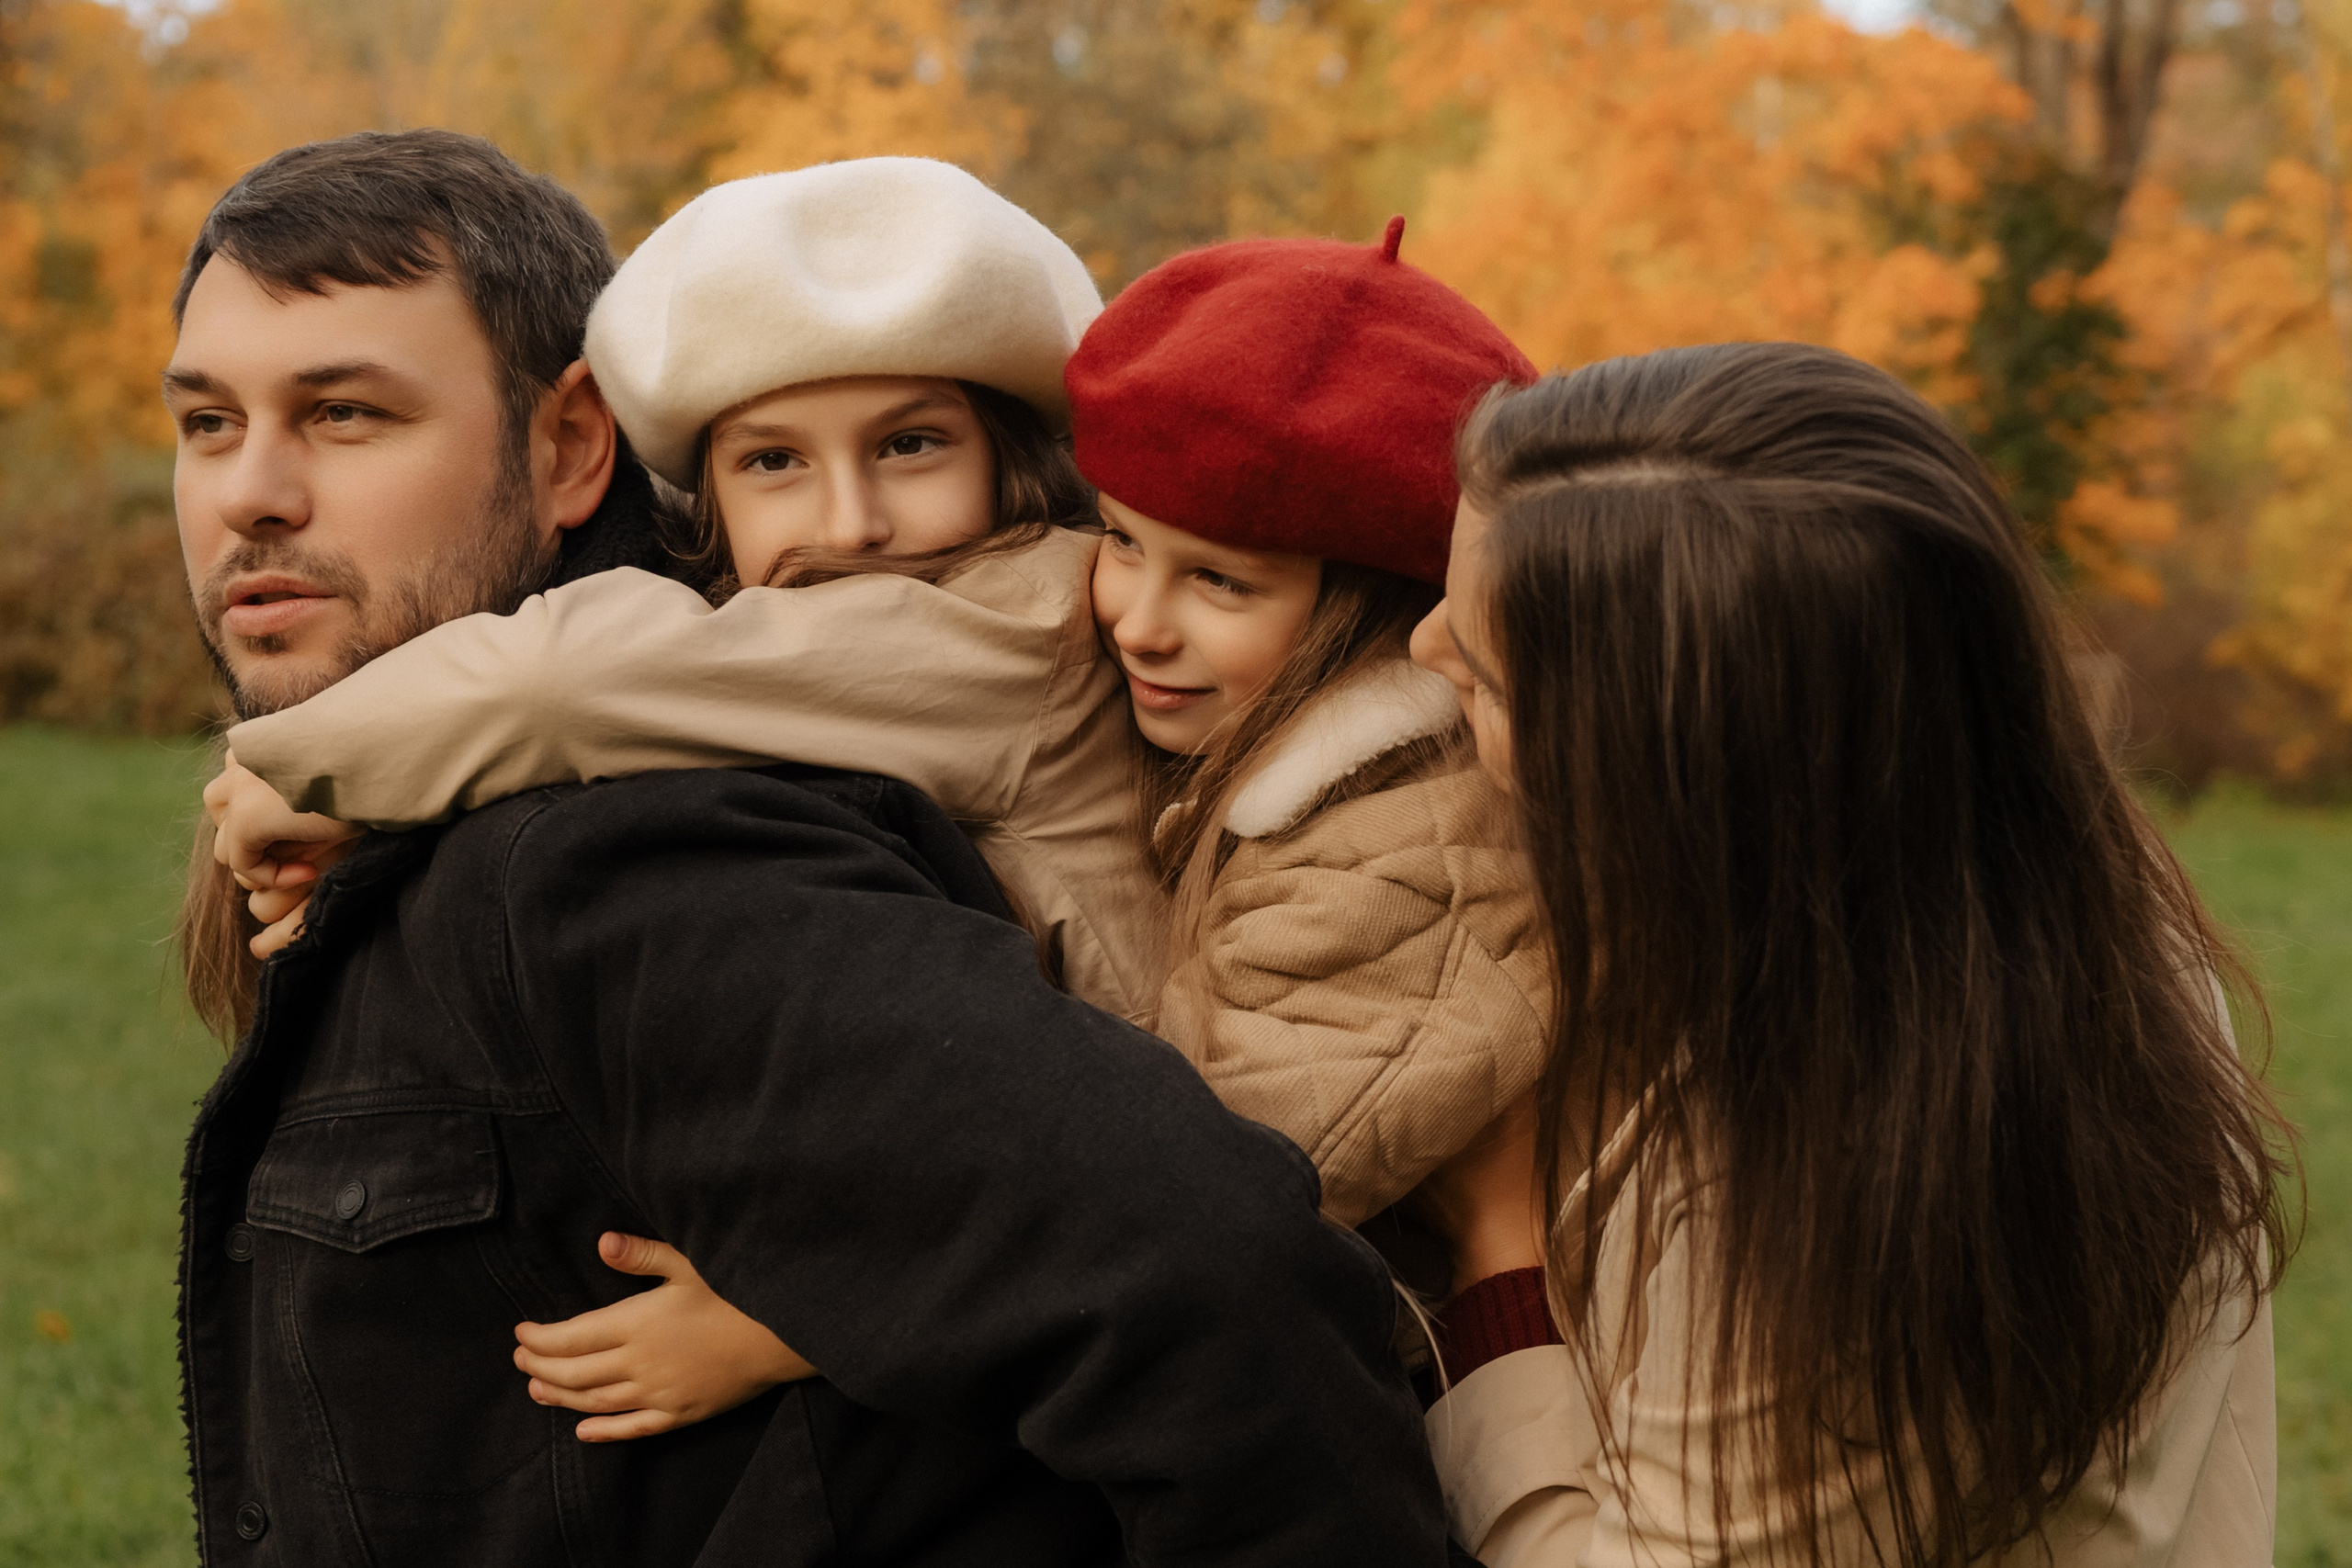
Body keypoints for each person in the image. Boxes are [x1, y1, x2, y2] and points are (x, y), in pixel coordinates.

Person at [168, 127, 1455, 1566]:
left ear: (574, 443)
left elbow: (1195, 1261)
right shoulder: (674, 740)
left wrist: (297, 769)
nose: (250, 492)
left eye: (345, 414)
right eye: (205, 422)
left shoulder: (898, 680)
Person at [1405, 343, 2290, 1564]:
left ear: (1679, 784)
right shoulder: (2062, 892)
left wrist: (1501, 1265)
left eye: (1490, 679)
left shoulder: (1815, 1170)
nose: (1421, 651)